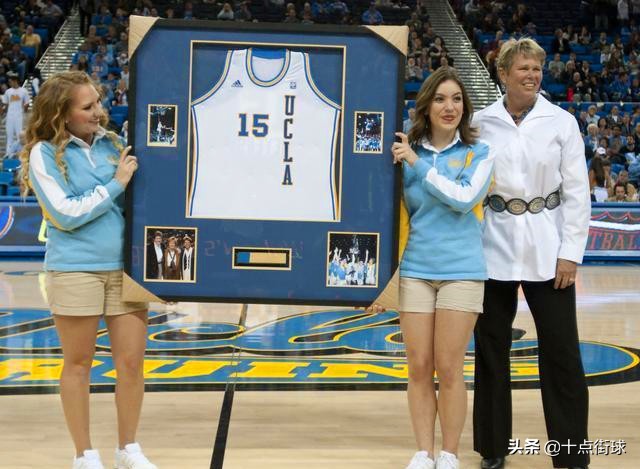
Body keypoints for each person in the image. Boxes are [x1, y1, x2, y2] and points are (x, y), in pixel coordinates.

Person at [18, 71, 158, 469]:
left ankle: (128, 449)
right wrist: (116, 184)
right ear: (62, 115)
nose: (100, 111)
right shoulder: (43, 153)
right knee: (78, 364)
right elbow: (64, 214)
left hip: (126, 270)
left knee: (131, 364)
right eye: (88, 106)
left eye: (98, 102)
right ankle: (84, 455)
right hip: (75, 269)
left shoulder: (115, 145)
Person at [472, 38, 591, 469]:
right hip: (491, 246)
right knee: (490, 349)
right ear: (503, 74)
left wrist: (571, 253)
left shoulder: (562, 122)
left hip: (549, 245)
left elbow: (578, 192)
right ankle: (492, 448)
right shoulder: (480, 122)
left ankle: (572, 453)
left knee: (562, 353)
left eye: (537, 68)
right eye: (523, 68)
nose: (532, 75)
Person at [389, 66, 494, 469]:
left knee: (449, 366)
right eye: (440, 98)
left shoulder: (479, 152)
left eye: (456, 99)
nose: (449, 107)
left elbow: (463, 198)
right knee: (418, 365)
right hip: (415, 267)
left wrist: (416, 162)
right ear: (426, 106)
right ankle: (424, 451)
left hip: (463, 270)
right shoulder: (402, 150)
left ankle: (449, 452)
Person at [1, 72, 30, 155]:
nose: (9, 83)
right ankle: (8, 154)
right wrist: (3, 114)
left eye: (10, 81)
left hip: (19, 116)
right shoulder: (8, 92)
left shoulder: (23, 91)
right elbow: (5, 104)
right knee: (9, 136)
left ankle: (20, 153)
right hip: (10, 116)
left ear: (15, 81)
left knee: (19, 136)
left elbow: (27, 103)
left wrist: (24, 111)